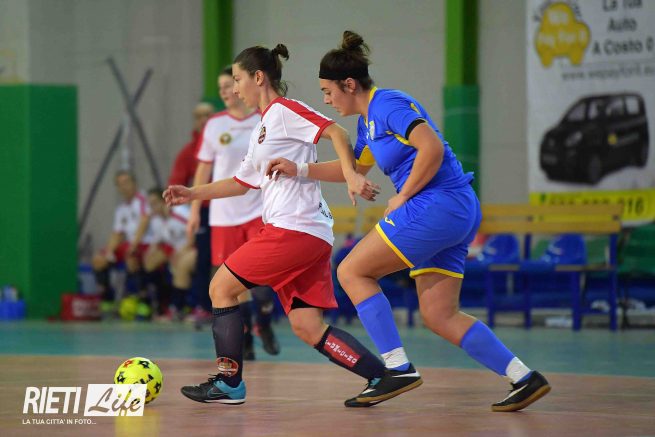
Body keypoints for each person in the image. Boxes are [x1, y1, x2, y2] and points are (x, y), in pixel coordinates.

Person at [267, 30, 551, 412]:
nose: (326, 100)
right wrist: (299, 169)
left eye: (328, 91)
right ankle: (523, 377)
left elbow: (431, 147)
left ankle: (397, 368)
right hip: (451, 210)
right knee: (439, 314)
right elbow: (353, 169)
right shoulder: (367, 124)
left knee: (351, 270)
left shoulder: (388, 104)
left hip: (439, 204)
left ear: (349, 84)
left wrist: (402, 195)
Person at [164, 43, 418, 406]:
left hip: (293, 229)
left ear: (258, 77)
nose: (234, 88)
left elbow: (338, 133)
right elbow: (242, 183)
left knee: (220, 287)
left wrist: (350, 175)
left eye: (237, 79)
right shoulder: (262, 127)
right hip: (306, 232)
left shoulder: (284, 111)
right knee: (306, 326)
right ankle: (381, 376)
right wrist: (192, 193)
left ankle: (229, 382)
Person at [189, 66, 280, 359]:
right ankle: (247, 339)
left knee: (262, 279)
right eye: (220, 87)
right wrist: (194, 209)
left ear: (241, 85)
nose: (224, 91)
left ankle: (264, 321)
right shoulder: (215, 125)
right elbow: (203, 168)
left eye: (229, 84)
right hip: (223, 215)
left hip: (257, 209)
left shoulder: (262, 119)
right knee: (234, 281)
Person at [168, 102, 215, 322]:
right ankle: (203, 307)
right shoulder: (189, 152)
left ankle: (247, 311)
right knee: (203, 259)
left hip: (233, 211)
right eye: (199, 116)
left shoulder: (227, 145)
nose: (203, 120)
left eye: (207, 115)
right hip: (205, 212)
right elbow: (176, 183)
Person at [93, 170, 152, 315]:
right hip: (129, 244)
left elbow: (144, 221)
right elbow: (117, 233)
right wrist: (109, 251)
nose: (124, 187)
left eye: (126, 182)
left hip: (145, 243)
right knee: (99, 260)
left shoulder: (143, 200)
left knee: (131, 257)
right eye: (120, 184)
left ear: (134, 183)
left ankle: (142, 301)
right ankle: (108, 299)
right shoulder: (121, 208)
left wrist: (133, 245)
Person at [142, 188, 196, 320]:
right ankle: (161, 304)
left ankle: (179, 307)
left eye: (155, 203)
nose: (153, 207)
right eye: (150, 204)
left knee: (181, 264)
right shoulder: (157, 220)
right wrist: (149, 254)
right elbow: (157, 241)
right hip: (174, 249)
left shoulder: (180, 213)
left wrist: (179, 253)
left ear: (164, 201)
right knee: (150, 262)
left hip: (192, 247)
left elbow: (195, 233)